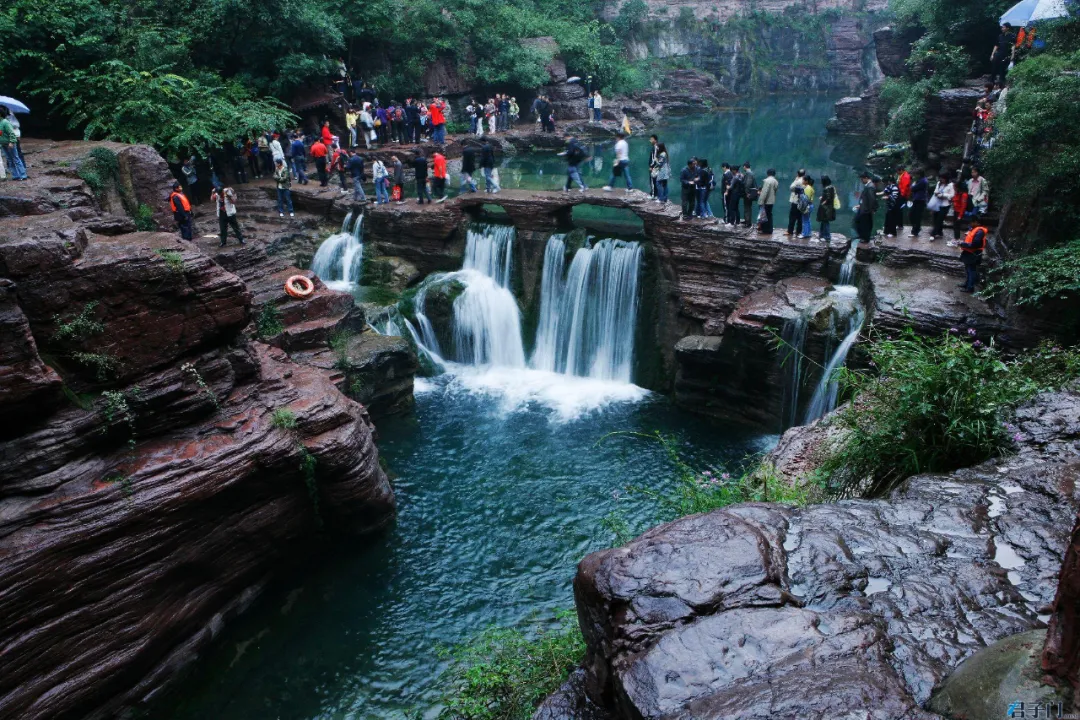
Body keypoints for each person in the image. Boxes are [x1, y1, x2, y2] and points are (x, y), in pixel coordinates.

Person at [958, 225, 987, 293]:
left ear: (976, 222)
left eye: (972, 222)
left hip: (974, 254)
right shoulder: (973, 229)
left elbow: (975, 244)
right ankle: (967, 284)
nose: (970, 224)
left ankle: (970, 288)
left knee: (971, 271)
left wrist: (963, 244)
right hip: (969, 252)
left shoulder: (980, 232)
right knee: (968, 269)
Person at [0, 108, 26, 181]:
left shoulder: (5, 122)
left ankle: (23, 175)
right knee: (10, 160)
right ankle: (15, 176)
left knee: (15, 158)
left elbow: (11, 133)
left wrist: (11, 142)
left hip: (10, 143)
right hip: (3, 144)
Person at [930, 171, 955, 239]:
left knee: (939, 219)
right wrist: (936, 193)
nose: (941, 179)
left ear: (946, 178)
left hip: (945, 205)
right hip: (937, 203)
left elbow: (952, 195)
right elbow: (935, 190)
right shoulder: (939, 183)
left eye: (943, 178)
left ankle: (933, 234)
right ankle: (939, 232)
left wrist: (943, 195)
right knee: (935, 218)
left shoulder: (951, 185)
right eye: (940, 178)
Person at [854, 171, 876, 242]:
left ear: (866, 178)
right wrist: (860, 205)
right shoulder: (868, 185)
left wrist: (870, 209)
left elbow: (871, 199)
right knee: (859, 222)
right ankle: (862, 236)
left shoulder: (870, 187)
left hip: (866, 210)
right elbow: (865, 198)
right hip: (863, 208)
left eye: (862, 179)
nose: (861, 181)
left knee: (865, 224)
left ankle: (865, 238)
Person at [758, 168, 779, 234]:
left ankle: (765, 230)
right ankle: (770, 229)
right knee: (769, 215)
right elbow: (775, 191)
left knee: (764, 215)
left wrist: (761, 201)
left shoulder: (767, 181)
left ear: (768, 174)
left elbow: (764, 192)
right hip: (771, 201)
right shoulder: (775, 181)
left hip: (766, 201)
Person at [786, 169, 806, 236]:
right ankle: (798, 231)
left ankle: (790, 231)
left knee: (792, 216)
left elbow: (791, 187)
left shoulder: (798, 181)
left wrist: (795, 180)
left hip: (795, 201)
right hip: (802, 201)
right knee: (800, 217)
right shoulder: (805, 180)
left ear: (798, 174)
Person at [817, 175, 836, 241]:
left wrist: (823, 202)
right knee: (824, 222)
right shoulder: (831, 187)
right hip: (829, 208)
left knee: (825, 222)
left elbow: (828, 198)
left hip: (826, 208)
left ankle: (827, 236)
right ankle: (822, 235)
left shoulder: (827, 188)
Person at [910, 169, 928, 238]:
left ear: (919, 175)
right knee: (912, 215)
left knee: (916, 216)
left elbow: (912, 188)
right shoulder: (920, 180)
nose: (914, 176)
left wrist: (913, 185)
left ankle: (915, 231)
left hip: (920, 200)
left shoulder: (923, 181)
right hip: (917, 199)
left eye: (916, 174)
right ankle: (916, 228)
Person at [742, 162, 757, 228]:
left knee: (747, 207)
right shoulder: (749, 173)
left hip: (748, 193)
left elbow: (748, 184)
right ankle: (746, 220)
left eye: (743, 167)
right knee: (747, 207)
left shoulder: (749, 173)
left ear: (745, 167)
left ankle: (748, 223)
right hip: (748, 193)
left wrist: (747, 193)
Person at [897, 164, 912, 230]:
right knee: (899, 210)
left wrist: (901, 195)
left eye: (898, 171)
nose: (897, 173)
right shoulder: (901, 175)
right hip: (901, 194)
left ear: (901, 170)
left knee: (900, 210)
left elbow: (905, 188)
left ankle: (900, 225)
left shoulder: (905, 176)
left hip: (903, 195)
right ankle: (899, 224)